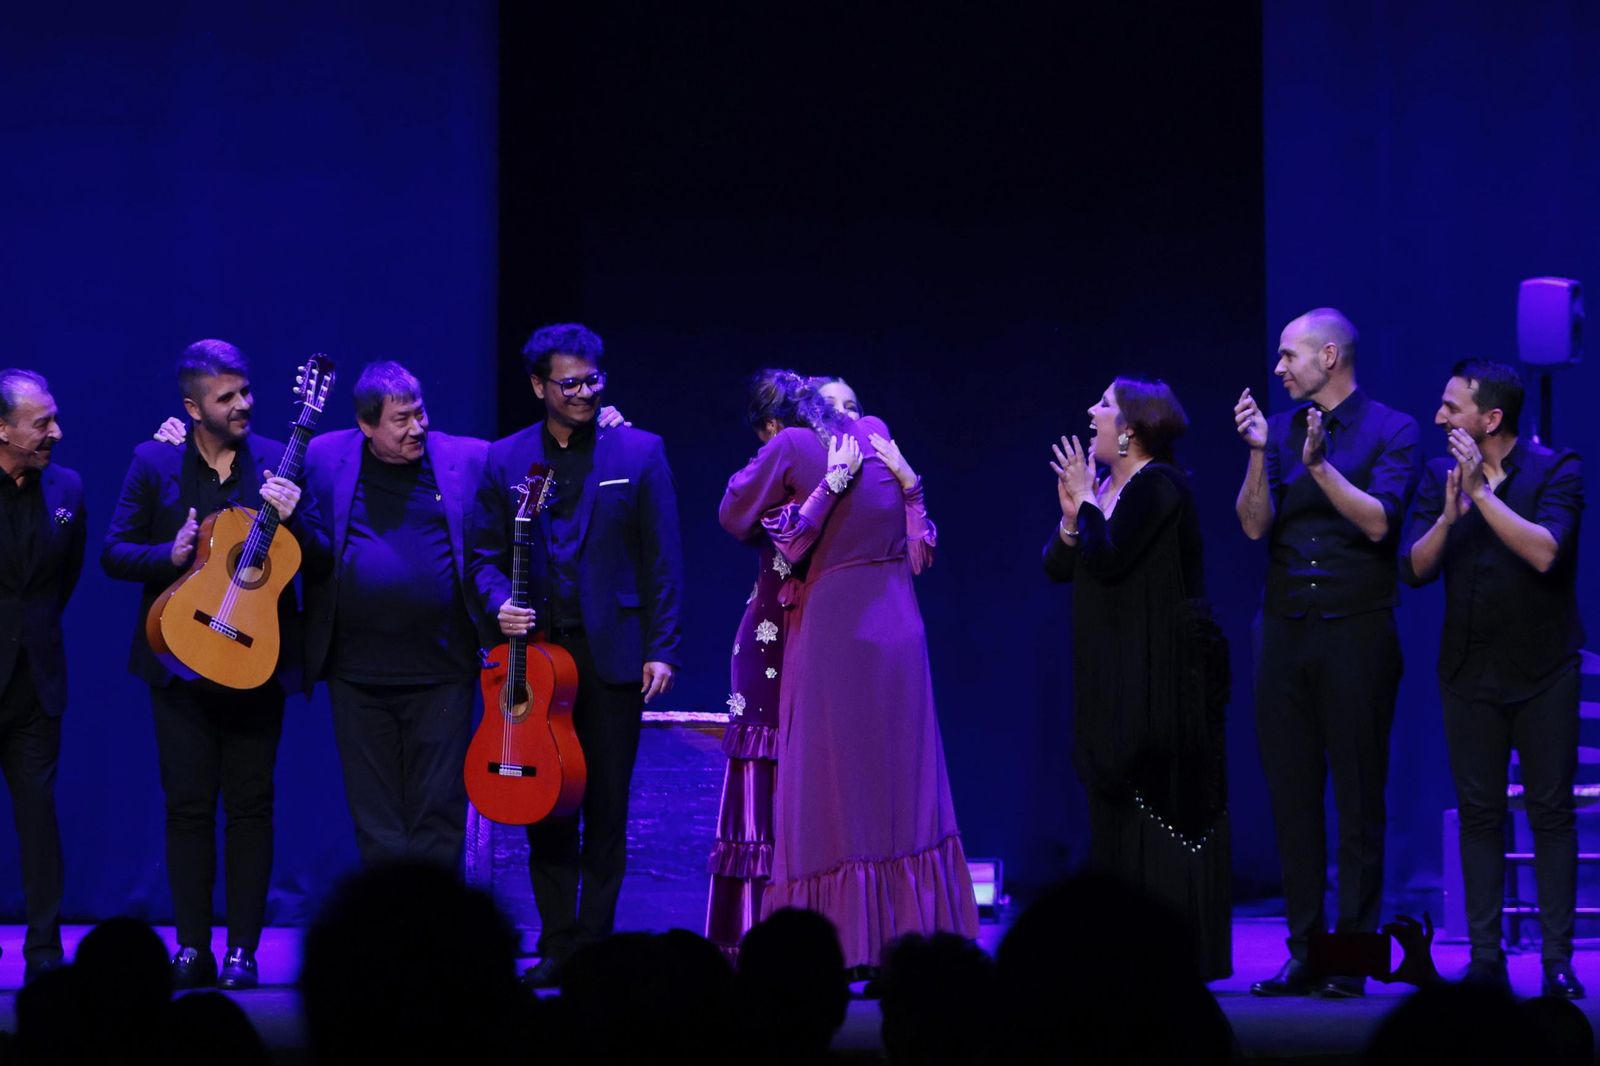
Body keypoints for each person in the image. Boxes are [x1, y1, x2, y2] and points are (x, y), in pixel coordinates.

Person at [718, 380, 977, 972]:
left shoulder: (791, 447)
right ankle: (910, 934)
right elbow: (919, 551)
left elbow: (737, 515)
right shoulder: (880, 434)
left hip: (837, 628)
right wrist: (912, 488)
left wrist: (825, 490)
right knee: (899, 785)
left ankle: (837, 939)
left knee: (830, 784)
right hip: (899, 628)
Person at [102, 339, 322, 990]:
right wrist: (167, 557)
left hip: (258, 664)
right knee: (189, 809)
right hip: (180, 664)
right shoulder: (154, 462)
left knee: (252, 808)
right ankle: (193, 947)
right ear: (193, 407)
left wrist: (298, 517)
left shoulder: (281, 468)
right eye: (227, 397)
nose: (243, 405)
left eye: (247, 392)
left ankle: (244, 952)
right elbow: (114, 552)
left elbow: (320, 559)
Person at [469, 322, 684, 987]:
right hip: (534, 661)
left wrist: (663, 648)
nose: (585, 392)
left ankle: (595, 946)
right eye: (570, 383)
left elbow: (663, 560)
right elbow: (480, 556)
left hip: (613, 656)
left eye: (594, 380)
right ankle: (557, 942)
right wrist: (501, 599)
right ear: (538, 387)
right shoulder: (506, 461)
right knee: (544, 801)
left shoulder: (640, 452)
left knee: (608, 807)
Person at [1234, 308, 1419, 998]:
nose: (1279, 369)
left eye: (1290, 356)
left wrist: (1320, 469)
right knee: (1293, 799)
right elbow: (1254, 527)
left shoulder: (1392, 429)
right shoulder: (1277, 432)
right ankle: (1308, 949)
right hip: (1284, 630)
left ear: (1330, 356)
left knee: (1359, 800)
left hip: (1357, 630)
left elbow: (1379, 523)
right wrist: (1259, 453)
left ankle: (1352, 955)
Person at [1401, 360, 1585, 998]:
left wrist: (1482, 494)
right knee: (1479, 816)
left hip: (1544, 672)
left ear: (1491, 419)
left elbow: (1544, 552)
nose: (1440, 418)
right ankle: (1486, 960)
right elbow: (1415, 570)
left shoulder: (1557, 471)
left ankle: (1557, 961)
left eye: (1452, 407)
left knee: (1550, 815)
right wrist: (1451, 515)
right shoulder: (1438, 477)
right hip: (1467, 671)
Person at [1044, 377, 1231, 980]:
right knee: (1109, 791)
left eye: (1103, 405)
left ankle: (1164, 949)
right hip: (1112, 668)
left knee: (1153, 791)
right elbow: (1060, 564)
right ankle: (1114, 947)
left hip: (1159, 676)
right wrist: (1075, 513)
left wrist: (1086, 502)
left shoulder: (1160, 486)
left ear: (1129, 429)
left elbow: (1113, 557)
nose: (1092, 412)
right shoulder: (1108, 490)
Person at [0, 369, 80, 983]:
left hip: (36, 683)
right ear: (3, 429)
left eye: (52, 418)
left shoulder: (68, 491)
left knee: (40, 815)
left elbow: (60, 585)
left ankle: (45, 950)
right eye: (42, 422)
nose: (55, 431)